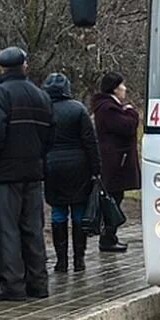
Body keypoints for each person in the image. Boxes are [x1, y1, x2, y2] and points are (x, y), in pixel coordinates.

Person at [0, 46, 53, 301]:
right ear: (24, 66)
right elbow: (51, 134)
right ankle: (38, 283)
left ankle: (13, 285)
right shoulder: (41, 96)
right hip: (33, 172)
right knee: (33, 229)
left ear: (0, 68)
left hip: (5, 174)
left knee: (7, 230)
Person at [42, 72, 101, 273]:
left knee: (58, 211)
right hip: (79, 166)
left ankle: (61, 261)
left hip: (52, 166)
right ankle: (79, 259)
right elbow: (90, 142)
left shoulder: (44, 110)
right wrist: (96, 170)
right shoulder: (78, 109)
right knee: (78, 211)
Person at [91, 71, 140, 253]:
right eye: (122, 85)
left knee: (114, 199)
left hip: (116, 161)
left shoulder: (108, 107)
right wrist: (132, 113)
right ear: (114, 88)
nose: (125, 89)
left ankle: (110, 236)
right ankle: (108, 238)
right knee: (112, 200)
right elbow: (126, 127)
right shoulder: (108, 108)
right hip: (115, 162)